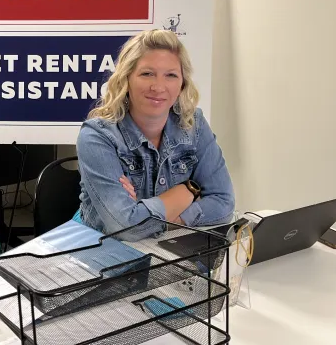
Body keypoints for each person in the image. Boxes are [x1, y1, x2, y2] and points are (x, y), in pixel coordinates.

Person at [75, 29, 235, 240]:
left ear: (182, 84)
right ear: (126, 79)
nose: (158, 86)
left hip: (164, 246)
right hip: (98, 246)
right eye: (147, 73)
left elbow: (224, 203)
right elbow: (125, 227)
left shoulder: (194, 124)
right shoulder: (97, 135)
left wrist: (158, 219)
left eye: (171, 75)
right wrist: (188, 191)